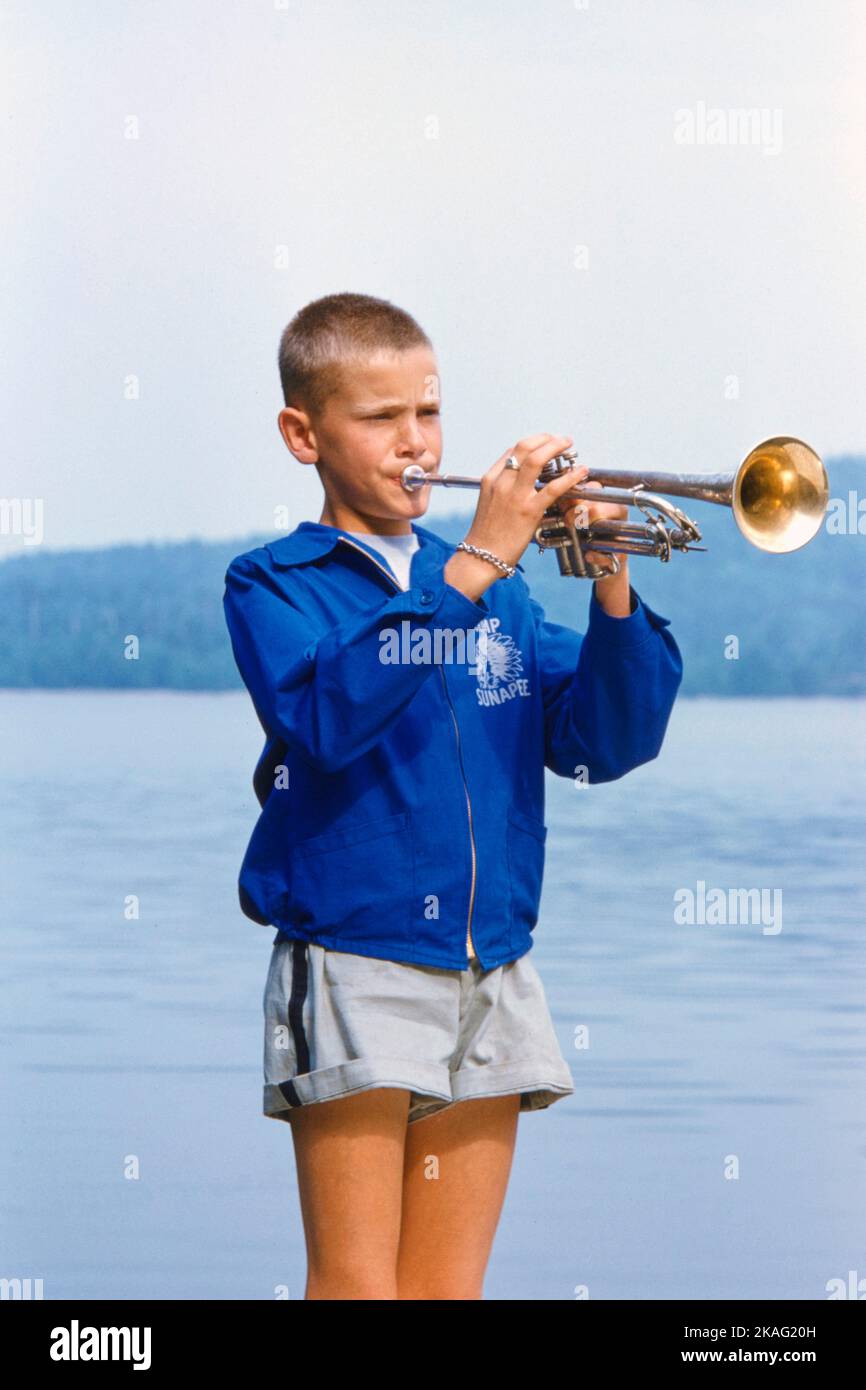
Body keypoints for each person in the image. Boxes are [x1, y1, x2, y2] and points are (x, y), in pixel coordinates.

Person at [222, 291, 683, 1300]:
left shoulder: (500, 591)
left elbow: (607, 741)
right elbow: (327, 717)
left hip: (496, 967)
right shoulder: (275, 582)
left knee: (446, 1293)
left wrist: (606, 577)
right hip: (355, 960)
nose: (414, 442)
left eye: (426, 413)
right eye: (380, 418)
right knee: (356, 1287)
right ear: (304, 433)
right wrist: (476, 562)